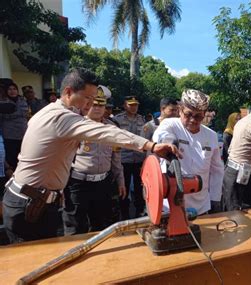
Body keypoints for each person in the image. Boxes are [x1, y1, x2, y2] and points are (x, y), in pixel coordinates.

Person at [1, 68, 179, 243]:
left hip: (33, 200)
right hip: (30, 207)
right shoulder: (63, 118)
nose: (90, 104)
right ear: (68, 92)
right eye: (87, 97)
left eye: (94, 99)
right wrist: (151, 145)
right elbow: (107, 133)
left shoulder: (46, 112)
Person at [62, 87, 126, 235]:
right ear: (86, 105)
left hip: (102, 183)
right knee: (75, 226)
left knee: (100, 225)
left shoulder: (112, 128)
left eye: (101, 105)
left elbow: (116, 159)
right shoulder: (75, 126)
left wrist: (121, 181)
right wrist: (60, 187)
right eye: (94, 104)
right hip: (77, 183)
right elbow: (64, 157)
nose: (97, 108)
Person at [153, 89, 224, 214]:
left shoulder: (211, 135)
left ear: (204, 114)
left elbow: (217, 170)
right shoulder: (170, 125)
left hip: (201, 205)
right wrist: (168, 142)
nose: (193, 120)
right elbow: (160, 135)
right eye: (188, 114)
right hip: (170, 205)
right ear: (180, 110)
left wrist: (215, 199)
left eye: (198, 116)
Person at [114, 96, 147, 219]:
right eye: (131, 104)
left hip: (138, 159)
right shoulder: (117, 120)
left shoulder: (142, 119)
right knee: (124, 188)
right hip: (124, 160)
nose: (134, 107)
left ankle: (139, 212)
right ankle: (124, 214)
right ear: (124, 105)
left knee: (140, 188)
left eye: (136, 105)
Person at [0, 82, 29, 170]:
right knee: (11, 159)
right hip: (9, 135)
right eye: (9, 89)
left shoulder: (22, 100)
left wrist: (11, 112)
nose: (12, 91)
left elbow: (24, 111)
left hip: (22, 134)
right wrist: (14, 112)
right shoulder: (2, 102)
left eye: (14, 89)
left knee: (23, 158)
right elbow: (2, 116)